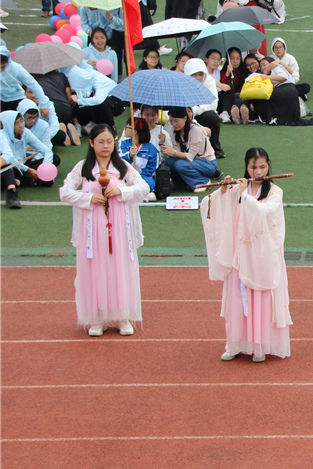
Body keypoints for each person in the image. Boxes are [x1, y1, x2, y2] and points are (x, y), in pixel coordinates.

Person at [201, 147, 291, 363]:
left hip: (262, 254)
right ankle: (234, 344)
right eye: (253, 167)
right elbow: (215, 205)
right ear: (246, 167)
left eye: (262, 166)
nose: (258, 171)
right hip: (240, 253)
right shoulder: (239, 188)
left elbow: (265, 212)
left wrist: (243, 195)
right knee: (236, 300)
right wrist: (224, 191)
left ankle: (259, 346)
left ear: (268, 165)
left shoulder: (274, 192)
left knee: (260, 299)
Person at [58, 124, 147, 337]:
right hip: (92, 227)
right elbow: (65, 192)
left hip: (119, 227)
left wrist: (122, 190)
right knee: (95, 268)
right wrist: (88, 198)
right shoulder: (83, 168)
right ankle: (97, 318)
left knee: (121, 267)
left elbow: (143, 187)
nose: (105, 146)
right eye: (100, 142)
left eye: (109, 141)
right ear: (91, 143)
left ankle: (124, 316)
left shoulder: (123, 166)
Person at [161, 106, 217, 191]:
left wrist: (173, 152)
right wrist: (164, 144)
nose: (174, 124)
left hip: (207, 163)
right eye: (171, 121)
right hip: (189, 161)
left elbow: (190, 156)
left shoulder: (196, 130)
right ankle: (182, 183)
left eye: (176, 121)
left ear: (185, 118)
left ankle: (202, 182)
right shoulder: (174, 130)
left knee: (179, 164)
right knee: (169, 162)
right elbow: (177, 151)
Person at [183, 58, 224, 159]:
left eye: (200, 74)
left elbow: (213, 104)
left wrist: (194, 110)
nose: (197, 78)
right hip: (186, 114)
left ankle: (215, 147)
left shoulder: (209, 81)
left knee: (212, 116)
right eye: (194, 74)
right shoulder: (182, 83)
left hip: (202, 113)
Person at [117, 117, 158, 195]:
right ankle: (141, 194)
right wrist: (129, 155)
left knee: (150, 183)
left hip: (142, 177)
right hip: (125, 176)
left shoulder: (151, 149)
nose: (124, 129)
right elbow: (119, 160)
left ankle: (132, 192)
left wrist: (137, 179)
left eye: (127, 127)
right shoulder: (124, 144)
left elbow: (152, 168)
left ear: (135, 131)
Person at [220, 48, 250, 124]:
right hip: (228, 99)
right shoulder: (223, 71)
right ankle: (237, 112)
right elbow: (223, 87)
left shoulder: (244, 71)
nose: (235, 61)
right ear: (228, 60)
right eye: (232, 59)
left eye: (238, 58)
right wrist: (227, 72)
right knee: (230, 87)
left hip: (242, 96)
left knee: (242, 99)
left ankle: (238, 113)